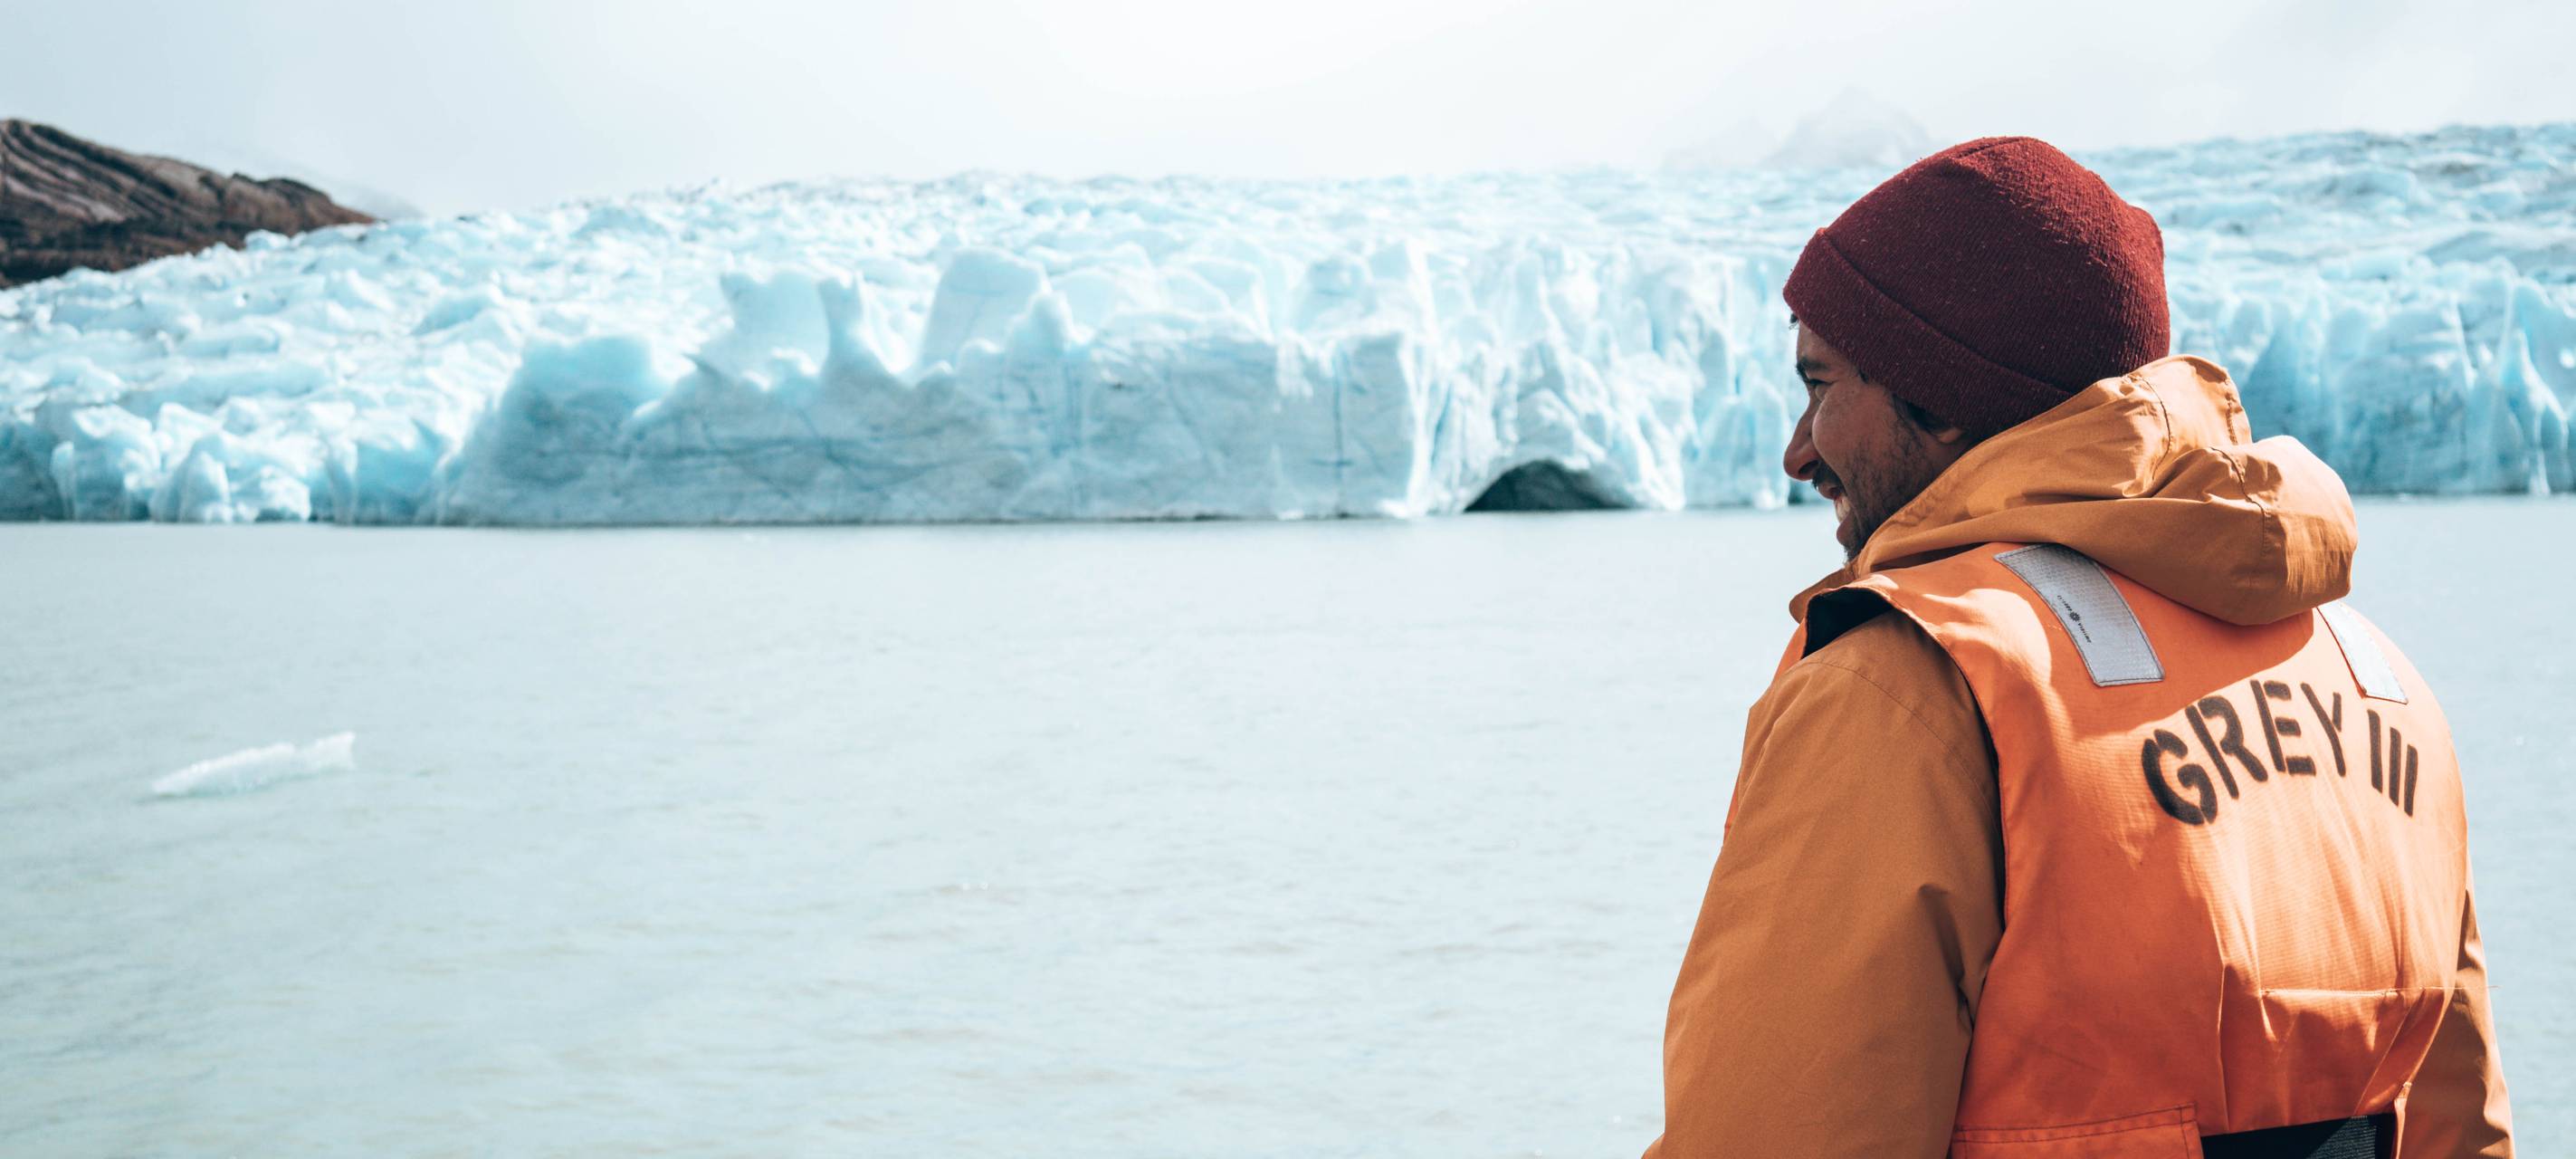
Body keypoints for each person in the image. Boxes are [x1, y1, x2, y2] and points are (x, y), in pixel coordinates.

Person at [1645, 139, 2514, 1157]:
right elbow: (2456, 1128)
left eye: (1820, 382)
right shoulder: (2380, 687)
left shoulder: (1911, 683)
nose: (1797, 448)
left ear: (1938, 395)